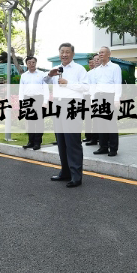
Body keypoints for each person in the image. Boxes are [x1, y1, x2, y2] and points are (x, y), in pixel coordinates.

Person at [44, 43, 89, 188]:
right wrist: (49, 74)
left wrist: (67, 83)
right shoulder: (56, 69)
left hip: (72, 104)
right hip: (57, 104)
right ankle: (65, 172)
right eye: (62, 52)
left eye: (67, 52)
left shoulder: (79, 69)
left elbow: (86, 87)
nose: (64, 54)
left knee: (72, 141)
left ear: (73, 54)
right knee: (61, 140)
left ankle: (76, 176)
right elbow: (44, 81)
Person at [90, 46, 122, 157]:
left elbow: (117, 83)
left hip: (109, 97)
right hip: (98, 96)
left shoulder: (115, 67)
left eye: (103, 52)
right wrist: (92, 100)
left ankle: (113, 148)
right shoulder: (96, 70)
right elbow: (93, 86)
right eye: (99, 52)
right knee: (100, 123)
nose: (100, 54)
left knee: (110, 124)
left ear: (109, 54)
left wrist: (116, 99)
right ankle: (103, 147)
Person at [18, 56, 48, 150]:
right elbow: (21, 90)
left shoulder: (42, 74)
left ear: (36, 63)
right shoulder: (24, 75)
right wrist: (21, 103)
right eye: (29, 63)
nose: (31, 64)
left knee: (39, 122)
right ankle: (30, 142)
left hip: (39, 99)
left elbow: (45, 88)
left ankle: (37, 142)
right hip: (28, 99)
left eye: (33, 62)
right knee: (30, 122)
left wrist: (45, 101)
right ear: (26, 64)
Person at [83, 54, 99, 145]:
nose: (92, 64)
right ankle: (89, 136)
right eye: (91, 62)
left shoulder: (99, 72)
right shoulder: (88, 74)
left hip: (97, 97)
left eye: (95, 61)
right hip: (87, 97)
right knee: (88, 118)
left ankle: (97, 137)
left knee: (97, 118)